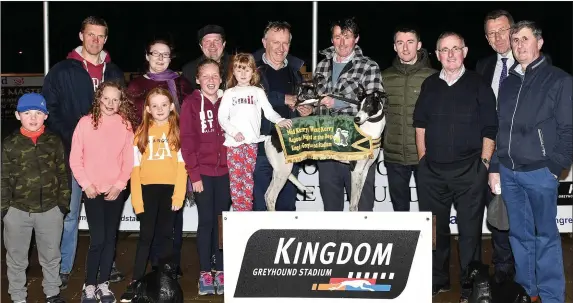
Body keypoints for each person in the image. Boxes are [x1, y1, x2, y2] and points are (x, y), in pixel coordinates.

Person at [489, 21, 572, 303]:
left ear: (539, 42)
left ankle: (551, 296)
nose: (519, 45)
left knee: (546, 237)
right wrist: (496, 166)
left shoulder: (559, 80)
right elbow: (501, 128)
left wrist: (554, 167)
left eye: (525, 39)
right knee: (519, 237)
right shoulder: (509, 82)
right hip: (510, 173)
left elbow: (568, 130)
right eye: (515, 41)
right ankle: (527, 291)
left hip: (540, 173)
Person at [413, 32, 498, 302]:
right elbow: (420, 126)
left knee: (470, 235)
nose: (450, 54)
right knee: (435, 232)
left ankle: (469, 287)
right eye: (444, 50)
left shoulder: (479, 84)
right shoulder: (429, 85)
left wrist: (483, 165)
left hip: (469, 173)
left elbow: (490, 128)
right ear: (437, 55)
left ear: (465, 51)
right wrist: (423, 161)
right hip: (432, 174)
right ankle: (438, 280)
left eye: (455, 48)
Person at [42, 16, 125, 288]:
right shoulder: (62, 70)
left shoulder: (113, 71)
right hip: (74, 157)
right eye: (91, 34)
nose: (95, 40)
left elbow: (122, 111)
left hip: (107, 161)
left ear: (106, 38)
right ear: (81, 35)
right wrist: (74, 136)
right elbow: (50, 109)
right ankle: (64, 267)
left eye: (100, 36)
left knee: (107, 217)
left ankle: (107, 264)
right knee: (69, 215)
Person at [126, 38, 193, 276]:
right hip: (147, 158)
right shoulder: (135, 86)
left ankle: (168, 269)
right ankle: (149, 271)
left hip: (172, 160)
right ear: (147, 56)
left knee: (171, 226)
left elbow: (191, 117)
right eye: (156, 53)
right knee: (148, 231)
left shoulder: (181, 83)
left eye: (166, 54)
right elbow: (129, 123)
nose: (161, 58)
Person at [69, 81, 136, 303]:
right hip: (92, 191)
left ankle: (104, 284)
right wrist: (86, 184)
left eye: (115, 99)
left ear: (121, 102)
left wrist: (119, 185)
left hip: (114, 191)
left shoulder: (125, 125)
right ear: (98, 98)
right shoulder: (85, 123)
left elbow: (128, 160)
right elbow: (75, 159)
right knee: (97, 239)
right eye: (106, 98)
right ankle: (89, 285)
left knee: (110, 239)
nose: (110, 103)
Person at [120, 88, 187, 302]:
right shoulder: (141, 133)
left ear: (171, 107)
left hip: (169, 191)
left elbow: (181, 166)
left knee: (166, 237)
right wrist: (137, 199)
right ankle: (136, 281)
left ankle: (165, 280)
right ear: (148, 109)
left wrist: (179, 195)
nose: (159, 109)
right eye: (155, 106)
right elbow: (135, 170)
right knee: (146, 237)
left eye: (164, 105)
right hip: (147, 191)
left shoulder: (177, 131)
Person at [2, 93, 70, 303]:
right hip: (17, 211)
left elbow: (63, 173)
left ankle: (52, 292)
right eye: (27, 113)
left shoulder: (54, 141)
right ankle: (18, 296)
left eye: (38, 113)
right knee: (16, 258)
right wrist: (5, 211)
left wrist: (62, 205)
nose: (33, 118)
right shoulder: (9, 144)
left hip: (50, 211)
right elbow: (2, 178)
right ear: (17, 115)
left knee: (51, 256)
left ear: (46, 116)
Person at [313, 17, 384, 211]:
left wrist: (337, 102)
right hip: (327, 144)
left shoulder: (369, 66)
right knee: (331, 206)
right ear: (332, 39)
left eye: (347, 37)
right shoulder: (320, 66)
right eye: (337, 37)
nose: (342, 42)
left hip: (358, 144)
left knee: (361, 207)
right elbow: (317, 100)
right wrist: (309, 108)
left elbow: (377, 104)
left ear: (356, 39)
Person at [180, 59, 231, 296]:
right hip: (202, 173)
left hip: (226, 172)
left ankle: (219, 269)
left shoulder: (229, 100)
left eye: (215, 76)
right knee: (206, 222)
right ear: (198, 80)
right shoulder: (190, 103)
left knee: (221, 223)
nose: (211, 80)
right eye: (205, 76)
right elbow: (187, 142)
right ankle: (204, 273)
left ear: (220, 78)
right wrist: (194, 174)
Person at [217, 53, 293, 212]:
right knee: (236, 181)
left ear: (253, 72)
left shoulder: (257, 92)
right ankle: (240, 211)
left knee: (248, 180)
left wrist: (280, 120)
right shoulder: (229, 93)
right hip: (234, 144)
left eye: (247, 69)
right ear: (233, 72)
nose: (243, 74)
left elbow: (269, 112)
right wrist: (233, 132)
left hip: (251, 142)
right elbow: (222, 117)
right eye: (239, 69)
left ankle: (247, 212)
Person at [252, 21, 313, 211]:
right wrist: (283, 99)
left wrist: (305, 109)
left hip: (289, 147)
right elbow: (249, 98)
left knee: (287, 207)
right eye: (275, 42)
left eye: (285, 43)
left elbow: (299, 101)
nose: (280, 48)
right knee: (261, 206)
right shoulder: (250, 69)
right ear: (264, 42)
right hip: (260, 150)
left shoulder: (296, 72)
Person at [474, 9, 516, 283]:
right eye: (491, 33)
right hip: (491, 156)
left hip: (522, 158)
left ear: (514, 30)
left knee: (524, 222)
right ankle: (503, 271)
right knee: (499, 217)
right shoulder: (482, 66)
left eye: (502, 30)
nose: (497, 37)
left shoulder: (532, 62)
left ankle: (526, 273)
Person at [381, 27, 436, 212]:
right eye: (400, 43)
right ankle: (403, 242)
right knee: (400, 211)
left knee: (429, 210)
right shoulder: (384, 77)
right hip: (394, 156)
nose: (405, 48)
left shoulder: (433, 77)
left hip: (425, 156)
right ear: (394, 47)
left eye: (410, 42)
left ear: (419, 45)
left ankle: (430, 242)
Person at [182, 25, 230, 91]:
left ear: (224, 44)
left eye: (216, 41)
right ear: (201, 46)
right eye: (207, 41)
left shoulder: (237, 65)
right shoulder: (189, 70)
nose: (212, 45)